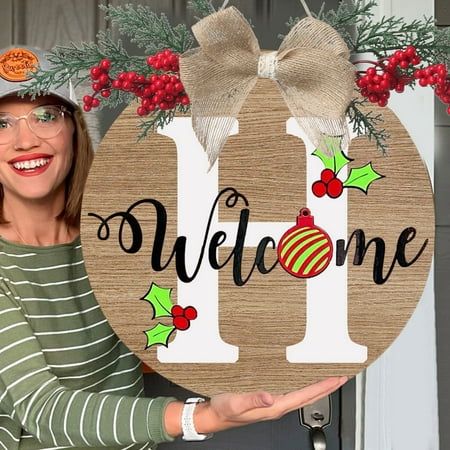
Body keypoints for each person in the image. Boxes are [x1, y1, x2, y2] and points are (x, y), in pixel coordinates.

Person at [0, 46, 347, 450]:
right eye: (2, 122)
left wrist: (271, 69)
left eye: (46, 115)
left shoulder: (121, 229)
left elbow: (217, 280)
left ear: (74, 128)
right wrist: (203, 416)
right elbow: (44, 410)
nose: (25, 139)